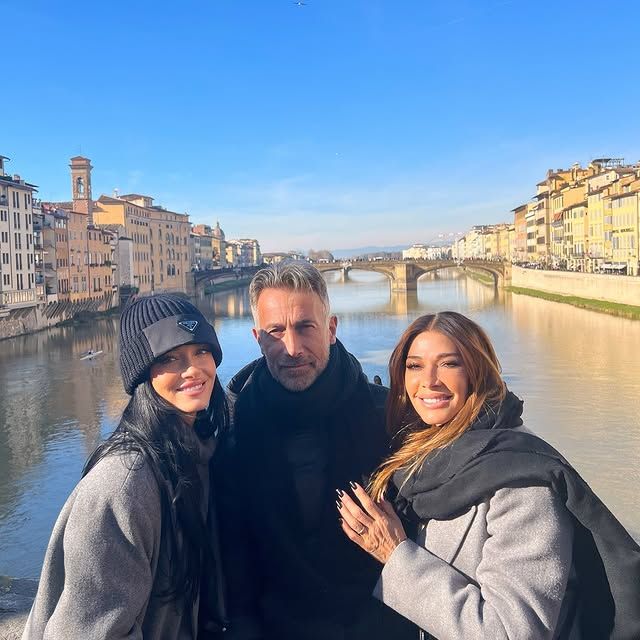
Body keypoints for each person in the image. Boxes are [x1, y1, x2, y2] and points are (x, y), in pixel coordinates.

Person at [337, 311, 640, 640]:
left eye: (449, 363)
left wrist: (395, 555)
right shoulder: (415, 455)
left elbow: (510, 633)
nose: (429, 380)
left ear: (476, 371)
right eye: (414, 366)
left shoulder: (521, 481)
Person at [217, 262, 415, 639]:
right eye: (276, 331)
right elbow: (232, 560)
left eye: (305, 327)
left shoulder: (387, 417)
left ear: (332, 329)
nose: (292, 348)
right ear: (257, 338)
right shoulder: (230, 428)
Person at [23, 294, 229, 639]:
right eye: (170, 358)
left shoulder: (200, 450)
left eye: (201, 351)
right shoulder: (123, 485)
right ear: (142, 377)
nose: (193, 369)